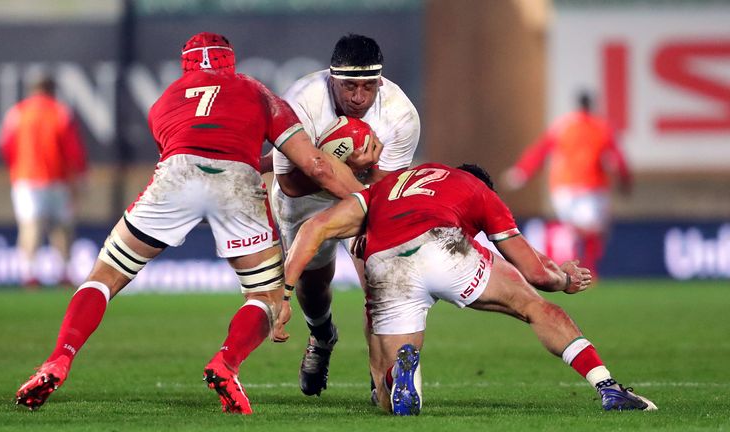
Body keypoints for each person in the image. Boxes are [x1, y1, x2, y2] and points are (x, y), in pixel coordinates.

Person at [14, 32, 364, 415]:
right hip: (236, 180)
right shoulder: (256, 91)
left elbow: (180, 149)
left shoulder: (163, 102)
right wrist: (365, 201)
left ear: (186, 63)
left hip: (177, 174)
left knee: (104, 277)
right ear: (230, 60)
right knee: (264, 298)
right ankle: (226, 363)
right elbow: (313, 164)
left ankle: (57, 360)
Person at [279, 162, 657, 415]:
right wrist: (565, 280)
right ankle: (607, 386)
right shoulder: (478, 192)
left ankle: (399, 374)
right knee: (533, 305)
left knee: (385, 395)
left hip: (386, 265)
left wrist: (284, 295)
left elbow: (315, 229)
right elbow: (535, 272)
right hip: (444, 246)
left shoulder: (391, 185)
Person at [269, 33, 420, 397]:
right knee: (314, 288)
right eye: (349, 86)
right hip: (306, 200)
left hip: (366, 197)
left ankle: (381, 372)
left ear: (379, 82)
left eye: (368, 87)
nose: (358, 97)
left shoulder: (401, 114)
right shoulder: (301, 101)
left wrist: (356, 174)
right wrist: (344, 168)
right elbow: (288, 183)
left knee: (380, 283)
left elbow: (387, 191)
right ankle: (322, 337)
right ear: (331, 79)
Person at [502, 90, 632, 277]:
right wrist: (625, 182)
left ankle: (576, 268)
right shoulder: (601, 127)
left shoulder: (563, 125)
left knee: (576, 229)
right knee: (591, 230)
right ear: (591, 105)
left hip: (564, 187)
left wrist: (522, 172)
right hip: (591, 187)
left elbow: (540, 151)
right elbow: (617, 158)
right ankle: (588, 270)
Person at [0, 75, 87, 287]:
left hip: (26, 179)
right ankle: (64, 273)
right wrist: (80, 174)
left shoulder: (18, 112)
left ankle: (29, 273)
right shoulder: (60, 111)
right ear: (52, 90)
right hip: (57, 178)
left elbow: (6, 145)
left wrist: (16, 168)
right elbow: (72, 148)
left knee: (30, 225)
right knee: (62, 226)